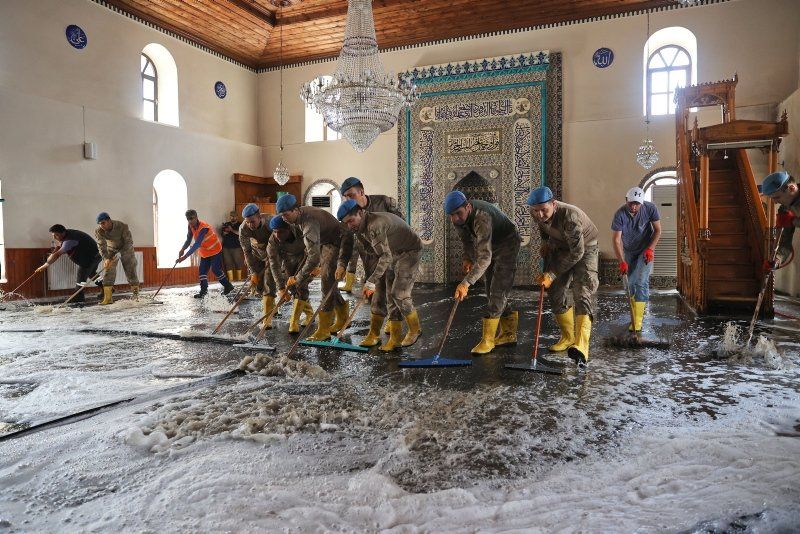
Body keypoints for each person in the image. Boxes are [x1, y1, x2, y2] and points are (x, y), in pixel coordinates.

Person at [527, 186, 599, 367]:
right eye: (536, 211)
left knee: (581, 291)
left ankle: (581, 345)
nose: (540, 214)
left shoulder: (570, 217)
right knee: (555, 291)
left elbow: (577, 253)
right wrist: (544, 242)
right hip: (561, 247)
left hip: (585, 249)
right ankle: (568, 337)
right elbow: (542, 227)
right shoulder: (536, 213)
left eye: (544, 209)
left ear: (554, 204)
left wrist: (551, 273)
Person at [338, 199, 422, 350]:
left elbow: (385, 257)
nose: (350, 225)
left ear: (361, 212)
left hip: (410, 251)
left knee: (398, 293)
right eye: (347, 223)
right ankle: (390, 337)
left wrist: (371, 281)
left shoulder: (374, 225)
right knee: (387, 293)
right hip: (394, 251)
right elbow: (375, 252)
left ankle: (415, 329)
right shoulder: (360, 228)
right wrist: (374, 280)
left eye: (351, 220)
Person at [444, 190, 521, 354]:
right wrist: (468, 259)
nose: (455, 218)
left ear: (468, 207)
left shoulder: (481, 217)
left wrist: (466, 283)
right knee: (489, 290)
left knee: (498, 290)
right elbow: (466, 241)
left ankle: (488, 340)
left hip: (508, 242)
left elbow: (485, 257)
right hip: (491, 245)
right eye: (451, 215)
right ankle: (508, 334)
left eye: (458, 213)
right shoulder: (458, 219)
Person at [277, 193, 353, 341]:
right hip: (326, 241)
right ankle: (343, 318)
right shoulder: (297, 218)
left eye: (285, 214)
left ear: (295, 210)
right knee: (330, 284)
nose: (283, 218)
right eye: (281, 215)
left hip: (338, 241)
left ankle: (323, 330)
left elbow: (313, 257)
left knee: (326, 282)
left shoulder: (308, 222)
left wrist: (298, 278)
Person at [338, 177, 403, 293]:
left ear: (361, 192)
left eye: (351, 195)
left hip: (392, 252)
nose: (348, 199)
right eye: (345, 197)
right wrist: (342, 264)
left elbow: (401, 225)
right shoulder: (347, 213)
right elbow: (346, 242)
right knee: (375, 294)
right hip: (369, 255)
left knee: (395, 293)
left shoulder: (384, 202)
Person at [611, 187, 661, 331]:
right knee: (630, 283)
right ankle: (633, 313)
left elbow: (658, 230)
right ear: (626, 200)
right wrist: (621, 261)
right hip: (629, 250)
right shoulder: (619, 214)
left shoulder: (650, 208)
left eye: (637, 204)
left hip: (646, 250)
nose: (634, 206)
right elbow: (616, 240)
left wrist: (650, 249)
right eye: (631, 203)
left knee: (641, 281)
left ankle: (638, 320)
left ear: (642, 203)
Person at [267, 215, 315, 333]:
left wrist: (317, 265)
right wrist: (281, 288)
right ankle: (310, 313)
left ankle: (294, 322)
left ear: (289, 228)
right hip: (287, 259)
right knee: (292, 287)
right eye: (275, 232)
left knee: (301, 285)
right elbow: (274, 264)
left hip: (307, 256)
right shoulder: (272, 241)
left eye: (281, 232)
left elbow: (317, 246)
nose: (277, 235)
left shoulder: (301, 229)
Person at [35, 224, 102, 304]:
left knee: (81, 277)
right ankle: (107, 288)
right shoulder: (67, 234)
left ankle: (78, 298)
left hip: (90, 258)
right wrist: (56, 249)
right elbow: (60, 248)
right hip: (95, 256)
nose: (54, 237)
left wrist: (45, 265)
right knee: (91, 274)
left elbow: (57, 254)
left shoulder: (69, 240)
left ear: (63, 233)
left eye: (56, 235)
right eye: (53, 235)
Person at [177, 209, 234, 298]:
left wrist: (184, 257)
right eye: (188, 219)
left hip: (215, 249)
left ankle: (228, 286)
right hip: (205, 252)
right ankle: (203, 292)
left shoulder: (203, 227)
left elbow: (197, 244)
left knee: (215, 269)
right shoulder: (190, 226)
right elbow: (188, 240)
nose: (190, 221)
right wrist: (182, 249)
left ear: (196, 217)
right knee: (202, 271)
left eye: (191, 218)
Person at [239, 203, 278, 328]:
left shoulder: (271, 222)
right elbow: (247, 251)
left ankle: (267, 318)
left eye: (252, 221)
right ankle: (270, 305)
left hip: (272, 251)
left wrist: (272, 259)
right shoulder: (243, 229)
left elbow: (280, 242)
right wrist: (253, 271)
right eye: (247, 222)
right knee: (259, 285)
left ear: (259, 217)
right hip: (256, 252)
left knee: (269, 281)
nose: (250, 225)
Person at [95, 212, 140, 304]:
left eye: (103, 223)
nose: (101, 226)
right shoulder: (98, 231)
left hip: (126, 249)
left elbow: (128, 242)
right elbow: (101, 246)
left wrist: (121, 253)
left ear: (109, 220)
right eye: (100, 224)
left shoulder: (122, 226)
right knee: (108, 271)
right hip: (111, 250)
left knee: (130, 270)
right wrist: (106, 258)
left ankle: (136, 296)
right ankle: (108, 298)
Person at [760, 171, 799, 270]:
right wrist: (776, 260)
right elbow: (784, 244)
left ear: (791, 188)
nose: (775, 202)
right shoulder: (785, 209)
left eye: (777, 197)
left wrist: (794, 221)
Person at [220, 210, 244, 282]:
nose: (232, 217)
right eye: (231, 216)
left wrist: (231, 230)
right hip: (226, 247)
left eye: (234, 216)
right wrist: (225, 232)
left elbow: (240, 233)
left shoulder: (241, 224)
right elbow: (222, 234)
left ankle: (239, 279)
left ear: (237, 216)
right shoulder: (226, 224)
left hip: (236, 247)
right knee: (228, 263)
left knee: (238, 262)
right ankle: (231, 280)